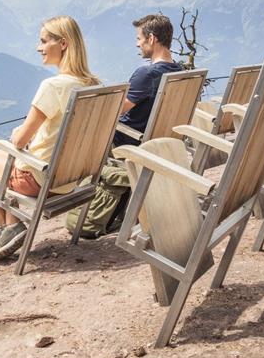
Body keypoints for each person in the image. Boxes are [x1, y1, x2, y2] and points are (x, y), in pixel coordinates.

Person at [0, 15, 100, 261]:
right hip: (71, 179)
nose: (39, 48)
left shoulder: (53, 86)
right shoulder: (91, 84)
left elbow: (19, 140)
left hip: (40, 179)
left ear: (64, 44)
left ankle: (7, 228)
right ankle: (11, 224)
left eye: (44, 41)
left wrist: (19, 135)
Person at [65, 13, 183, 238]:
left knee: (81, 134)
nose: (137, 43)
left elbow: (117, 110)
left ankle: (72, 197)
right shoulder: (178, 71)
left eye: (139, 38)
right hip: (158, 141)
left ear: (152, 39)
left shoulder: (146, 73)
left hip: (128, 140)